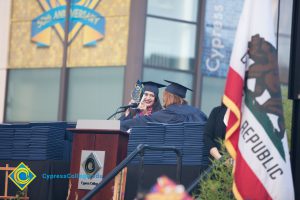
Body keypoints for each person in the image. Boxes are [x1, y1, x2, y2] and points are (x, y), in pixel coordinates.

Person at [121, 80, 207, 131]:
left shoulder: (169, 113)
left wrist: (121, 125)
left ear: (167, 97)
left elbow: (146, 121)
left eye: (152, 95)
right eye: (146, 94)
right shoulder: (199, 112)